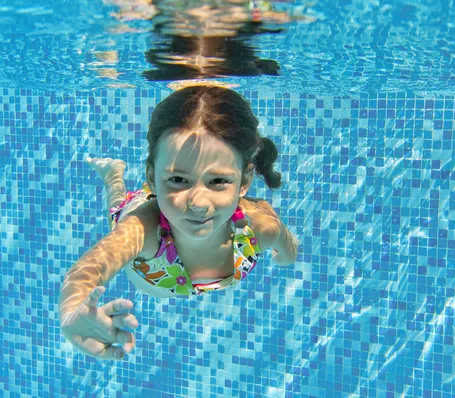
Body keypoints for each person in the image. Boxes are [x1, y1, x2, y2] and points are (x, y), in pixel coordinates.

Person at [59, 85, 299, 360]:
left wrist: (286, 257)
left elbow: (287, 244)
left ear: (244, 182)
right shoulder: (143, 231)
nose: (198, 202)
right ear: (151, 177)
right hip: (147, 212)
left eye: (218, 181)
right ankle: (113, 176)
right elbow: (92, 265)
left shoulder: (258, 227)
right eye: (178, 179)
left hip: (167, 229)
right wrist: (72, 309)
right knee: (117, 207)